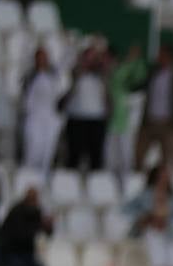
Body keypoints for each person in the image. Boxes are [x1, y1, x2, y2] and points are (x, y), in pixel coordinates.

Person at [61, 44, 110, 172]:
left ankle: (96, 183)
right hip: (77, 117)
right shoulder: (77, 71)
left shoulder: (102, 73)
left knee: (96, 156)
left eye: (93, 57)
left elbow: (107, 79)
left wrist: (98, 64)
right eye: (88, 57)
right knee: (74, 155)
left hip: (96, 118)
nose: (90, 60)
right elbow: (76, 73)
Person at [105, 43, 148, 180]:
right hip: (111, 122)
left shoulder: (127, 89)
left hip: (126, 122)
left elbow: (139, 74)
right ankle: (109, 184)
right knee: (110, 157)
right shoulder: (114, 80)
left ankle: (126, 183)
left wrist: (135, 60)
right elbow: (117, 77)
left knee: (126, 156)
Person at [135, 44, 173, 169]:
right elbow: (137, 85)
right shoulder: (153, 73)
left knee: (167, 160)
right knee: (138, 157)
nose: (159, 58)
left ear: (170, 57)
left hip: (168, 124)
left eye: (162, 55)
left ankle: (163, 185)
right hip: (149, 122)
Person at [20, 47, 64, 176]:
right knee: (33, 148)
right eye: (39, 57)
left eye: (44, 57)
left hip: (50, 116)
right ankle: (29, 176)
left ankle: (43, 178)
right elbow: (25, 93)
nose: (42, 60)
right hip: (34, 116)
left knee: (48, 151)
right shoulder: (30, 75)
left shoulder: (53, 75)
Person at [0, 187, 54, 266]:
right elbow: (19, 235)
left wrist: (48, 226)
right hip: (12, 252)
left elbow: (47, 233)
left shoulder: (36, 212)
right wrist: (40, 226)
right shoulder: (16, 211)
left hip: (27, 253)